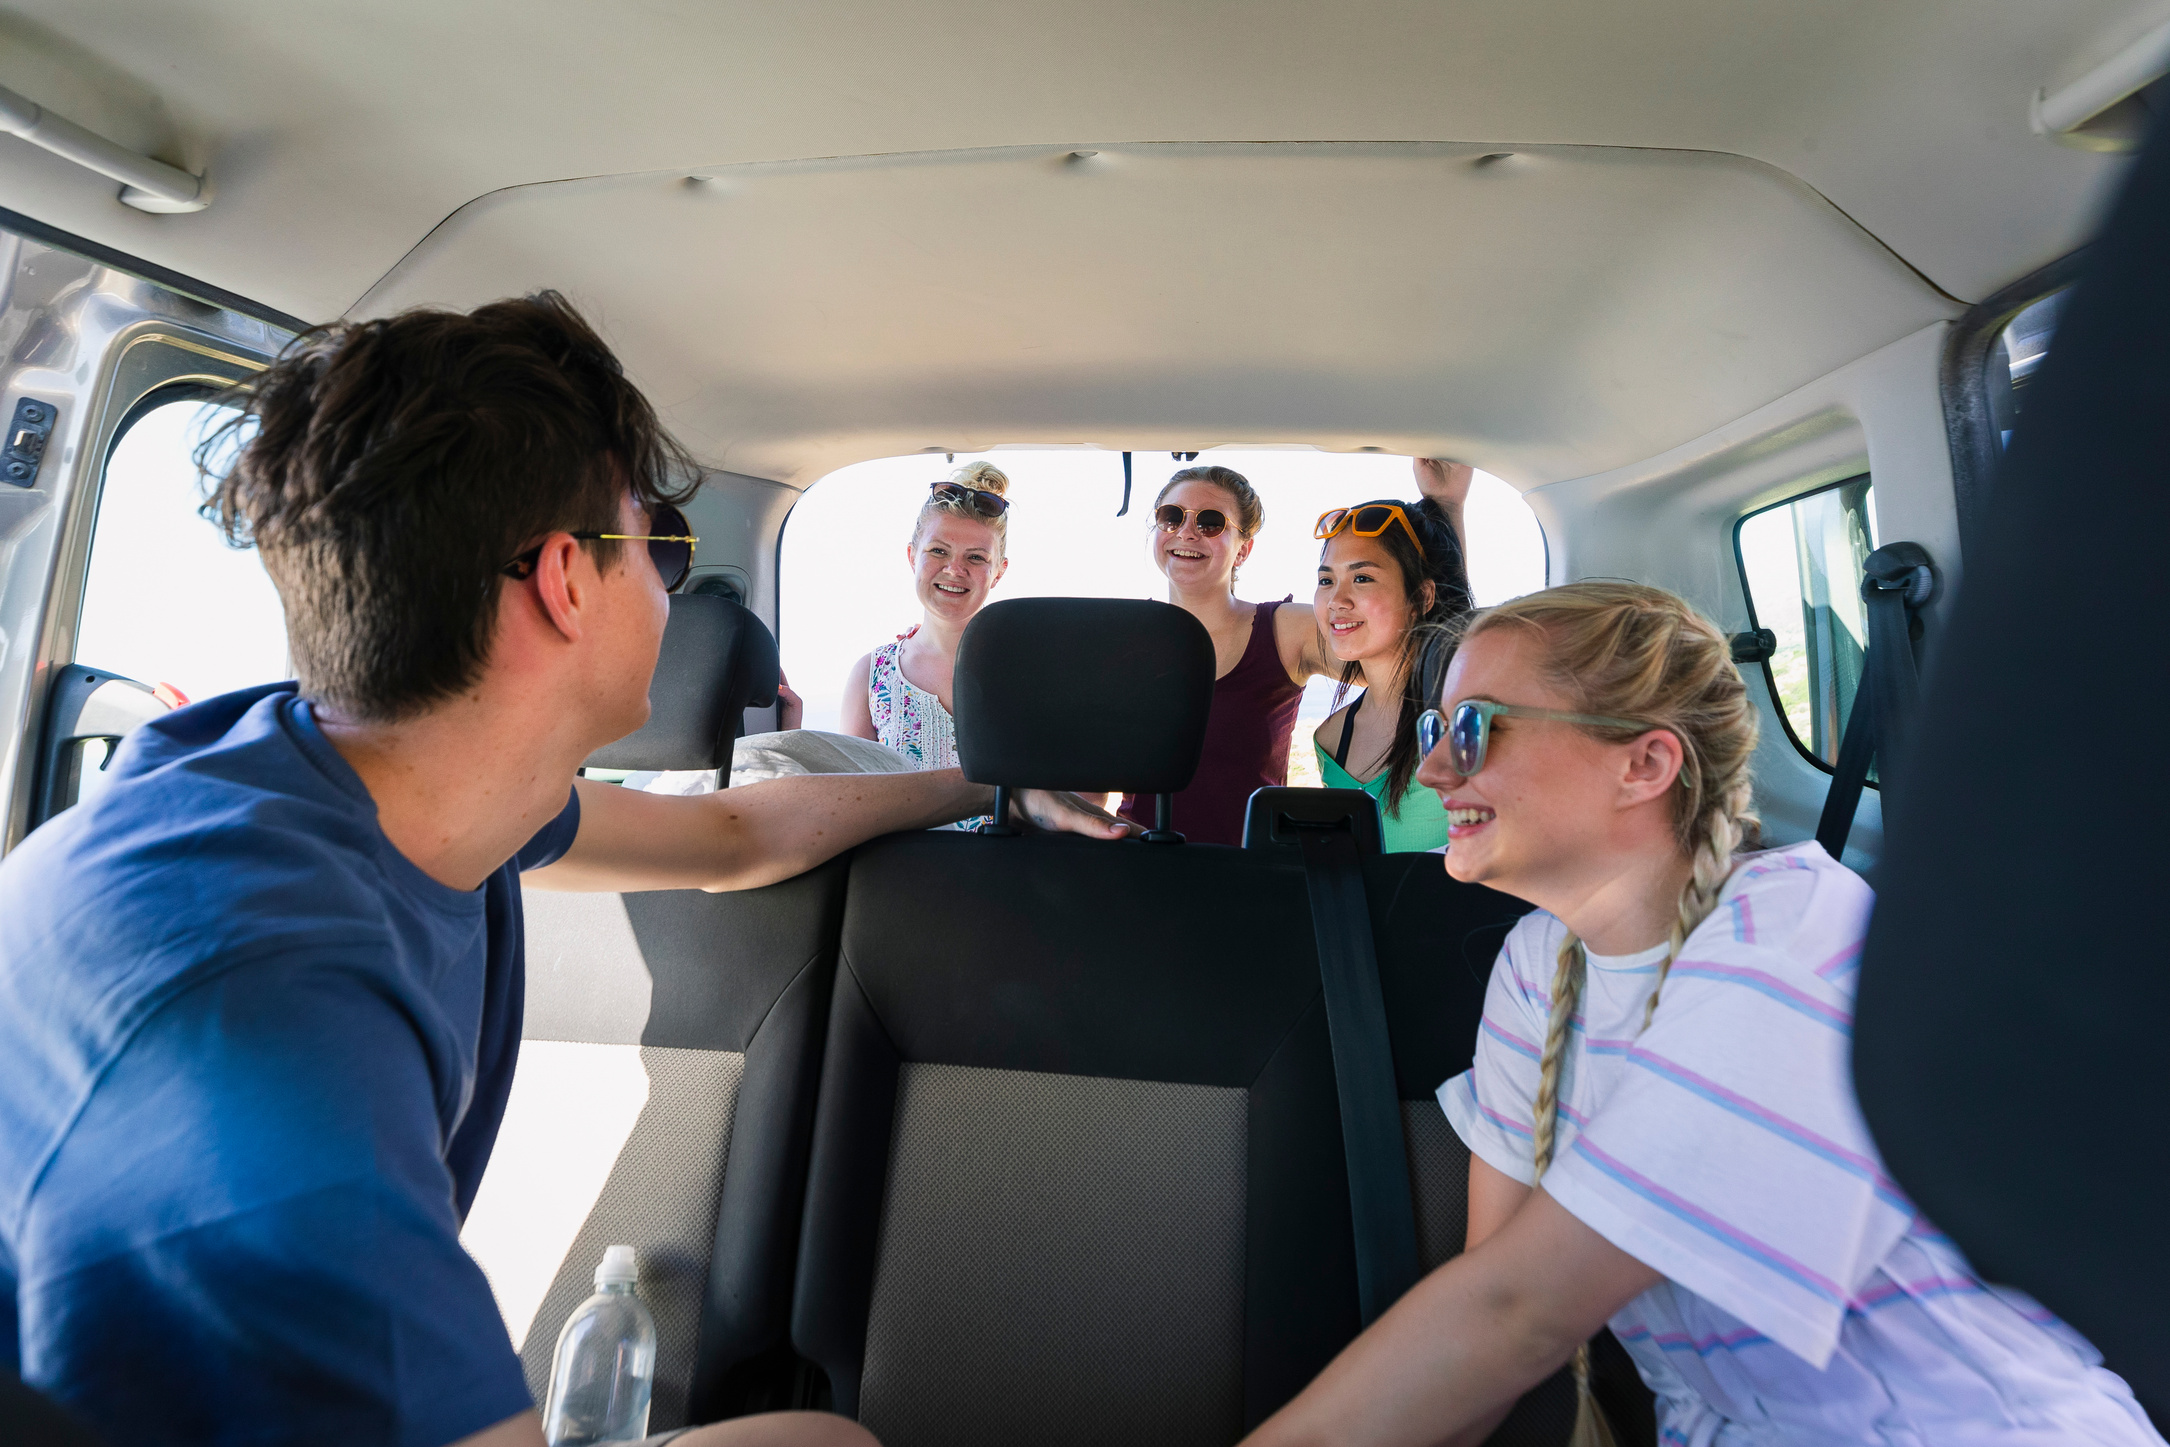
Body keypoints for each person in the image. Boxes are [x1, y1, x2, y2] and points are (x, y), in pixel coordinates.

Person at [0, 294, 1130, 1447]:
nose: (675, 596)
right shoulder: (271, 1032)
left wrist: (986, 784)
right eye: (664, 545)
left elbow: (739, 836)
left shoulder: (344, 773)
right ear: (563, 580)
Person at [1242, 582, 2161, 1447]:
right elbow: (1483, 1313)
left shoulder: (1791, 945)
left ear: (1645, 763)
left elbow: (1516, 1316)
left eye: (1478, 729)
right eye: (1438, 725)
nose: (1434, 766)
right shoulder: (1539, 963)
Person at [1118, 459, 1473, 846]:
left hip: (1251, 873)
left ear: (1243, 549)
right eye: (1171, 517)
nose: (1186, 532)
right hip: (1143, 864)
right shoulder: (1121, 642)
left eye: (1209, 522)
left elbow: (1427, 647)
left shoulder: (1284, 629)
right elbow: (1085, 785)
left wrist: (1445, 508)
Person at [840, 461, 1011, 828]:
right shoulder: (871, 676)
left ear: (999, 571)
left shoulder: (1032, 671)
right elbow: (851, 805)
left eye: (976, 558)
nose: (954, 569)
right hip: (902, 877)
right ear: (911, 556)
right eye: (938, 551)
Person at [1307, 478, 1472, 853]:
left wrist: (1448, 503)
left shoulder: (1467, 718)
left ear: (1423, 595)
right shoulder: (1331, 739)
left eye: (1362, 578)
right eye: (1326, 579)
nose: (1336, 599)